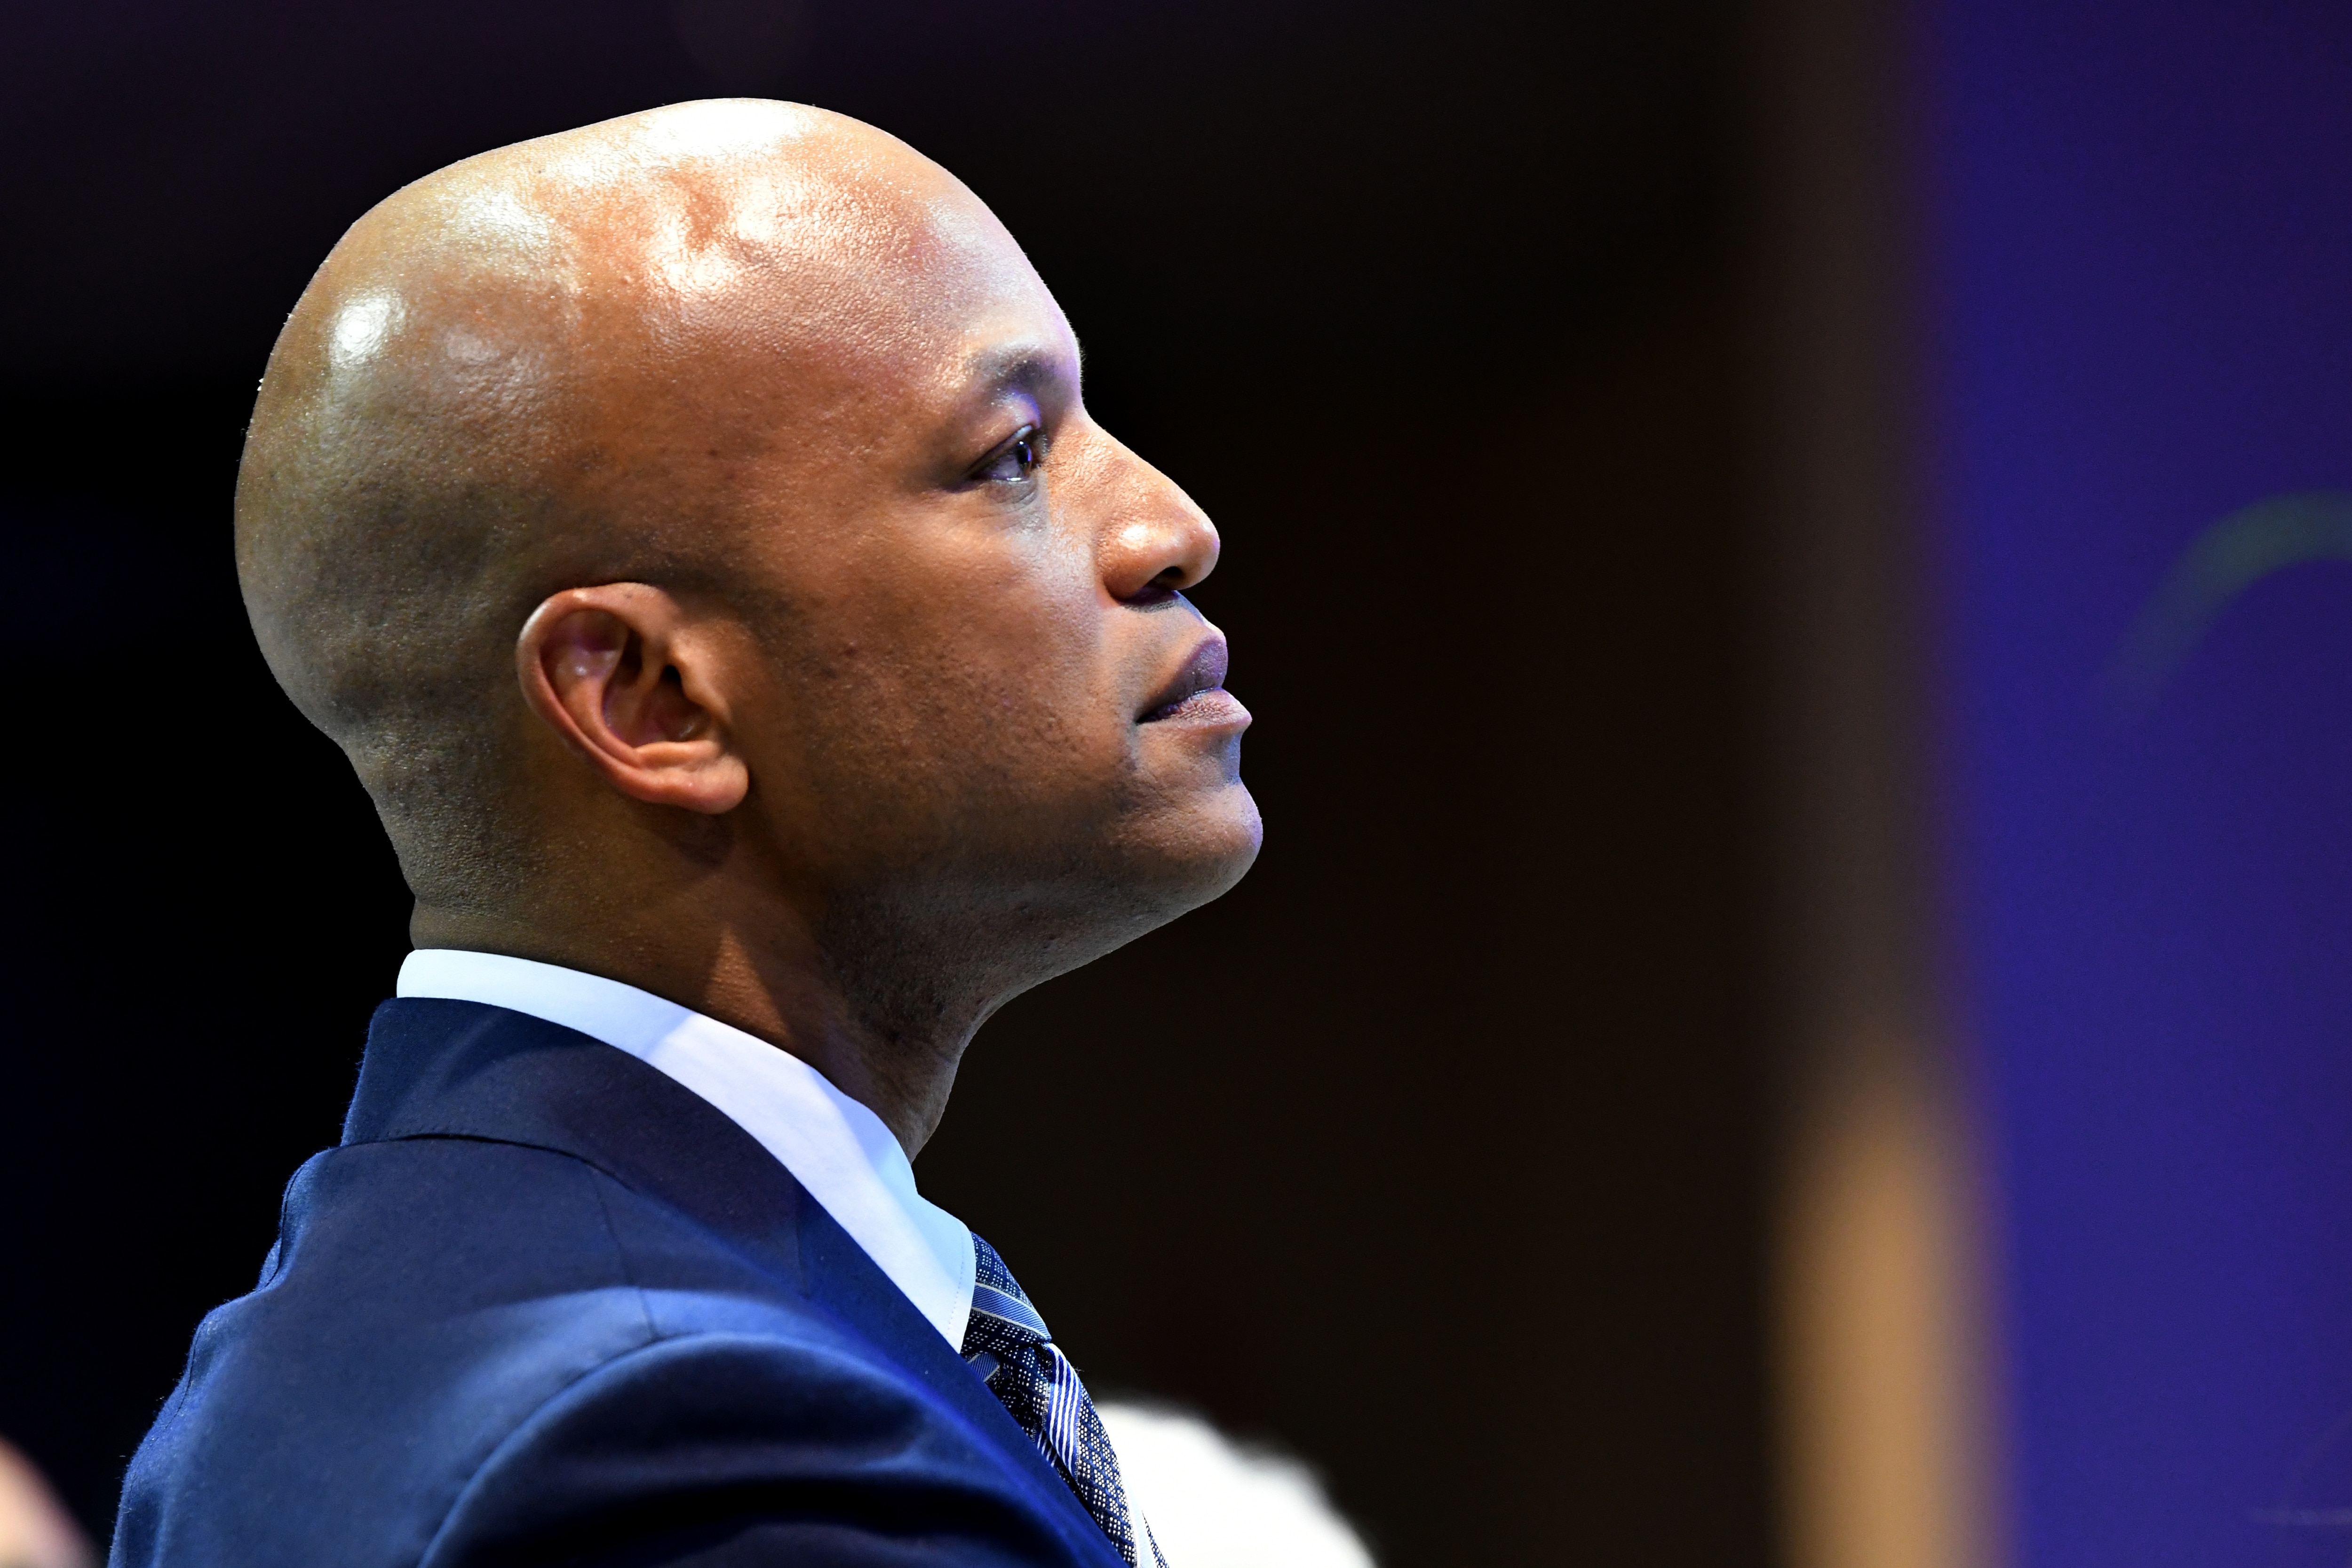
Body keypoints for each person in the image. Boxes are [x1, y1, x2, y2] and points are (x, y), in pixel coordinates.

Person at [112, 100, 1260, 1568]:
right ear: (652, 701)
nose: (1171, 528)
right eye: (1014, 452)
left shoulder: (427, 1316)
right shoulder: (693, 1447)